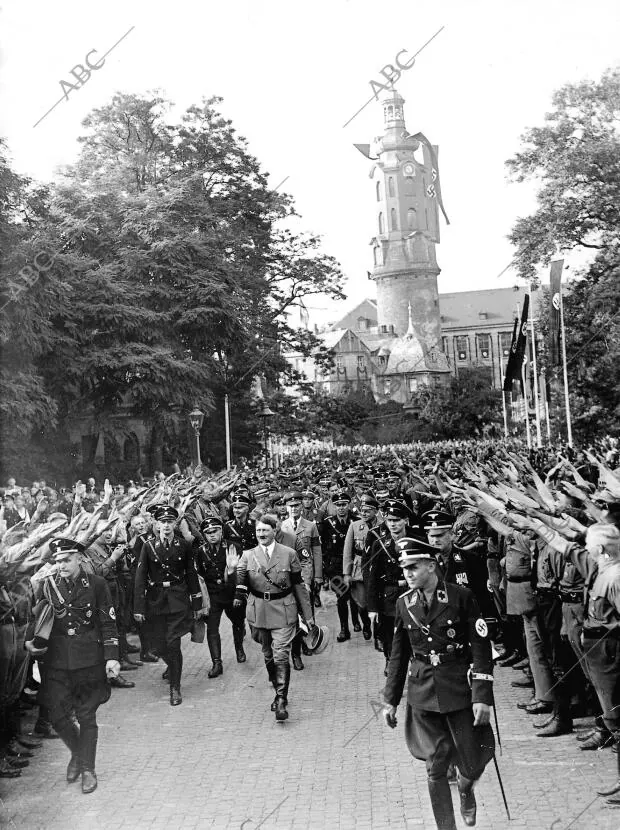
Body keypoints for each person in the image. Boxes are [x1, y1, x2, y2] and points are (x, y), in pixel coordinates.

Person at [382, 537, 495, 830]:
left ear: (431, 566)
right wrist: (390, 700)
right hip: (423, 694)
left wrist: (482, 696)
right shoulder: (404, 604)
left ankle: (466, 789)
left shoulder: (461, 597)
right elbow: (398, 655)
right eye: (404, 568)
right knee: (436, 766)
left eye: (414, 567)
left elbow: (481, 647)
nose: (407, 573)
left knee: (472, 762)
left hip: (459, 690)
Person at [26, 538, 121, 794]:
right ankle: (79, 754)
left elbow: (108, 622)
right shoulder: (46, 585)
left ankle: (88, 768)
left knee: (86, 715)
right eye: (57, 561)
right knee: (56, 715)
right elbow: (35, 618)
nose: (61, 565)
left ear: (79, 558)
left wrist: (112, 656)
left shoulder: (96, 584)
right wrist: (29, 643)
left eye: (66, 559)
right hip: (56, 661)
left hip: (88, 659)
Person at [233, 514, 316, 722]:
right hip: (259, 612)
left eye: (265, 530)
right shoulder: (247, 556)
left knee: (281, 654)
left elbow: (299, 586)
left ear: (274, 531)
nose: (261, 534)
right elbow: (240, 584)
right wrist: (230, 570)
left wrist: (308, 616)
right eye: (258, 531)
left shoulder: (288, 554)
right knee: (268, 653)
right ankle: (275, 682)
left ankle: (281, 699)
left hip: (284, 610)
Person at [133, 506, 203, 706]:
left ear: (175, 524)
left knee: (173, 644)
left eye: (169, 522)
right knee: (158, 646)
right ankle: (171, 667)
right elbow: (140, 578)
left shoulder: (184, 545)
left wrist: (196, 603)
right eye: (162, 522)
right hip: (155, 602)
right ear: (155, 524)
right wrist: (138, 608)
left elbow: (191, 574)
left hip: (178, 600)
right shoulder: (148, 546)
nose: (165, 525)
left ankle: (175, 687)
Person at [194, 515, 244, 677]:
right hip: (213, 596)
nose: (212, 535)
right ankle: (217, 663)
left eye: (215, 531)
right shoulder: (200, 552)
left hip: (231, 594)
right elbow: (200, 576)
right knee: (212, 629)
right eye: (208, 533)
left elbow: (242, 574)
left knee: (238, 623)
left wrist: (238, 593)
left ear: (221, 531)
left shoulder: (233, 547)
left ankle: (239, 648)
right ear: (204, 535)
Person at [280, 490, 322, 668]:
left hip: (305, 578)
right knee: (291, 617)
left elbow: (316, 553)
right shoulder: (281, 527)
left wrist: (316, 577)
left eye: (297, 505)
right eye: (291, 506)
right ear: (286, 507)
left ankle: (308, 642)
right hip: (287, 580)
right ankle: (295, 653)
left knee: (307, 613)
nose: (294, 509)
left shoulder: (310, 526)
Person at [319, 490, 358, 642]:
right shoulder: (328, 523)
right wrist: (325, 568)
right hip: (334, 566)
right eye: (338, 505)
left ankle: (357, 621)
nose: (341, 508)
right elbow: (322, 547)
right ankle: (344, 629)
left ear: (349, 505)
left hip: (353, 564)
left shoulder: (356, 521)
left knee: (355, 596)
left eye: (344, 504)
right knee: (341, 598)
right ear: (334, 506)